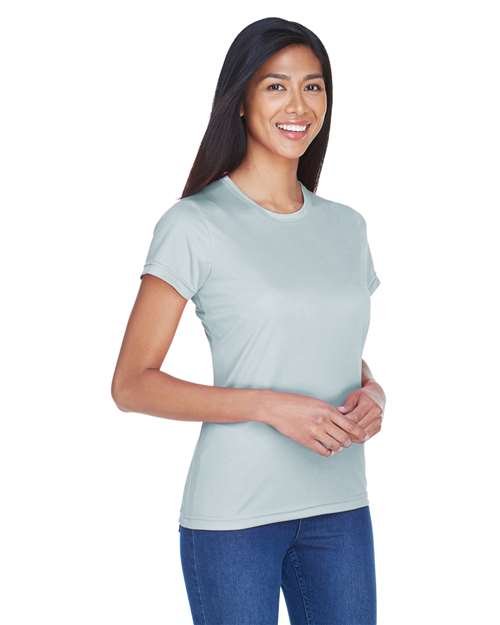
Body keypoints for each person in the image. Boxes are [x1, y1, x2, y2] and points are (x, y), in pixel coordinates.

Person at [111, 16, 385, 625]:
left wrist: (374, 393)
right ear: (240, 100)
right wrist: (268, 407)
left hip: (340, 506)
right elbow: (131, 384)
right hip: (235, 515)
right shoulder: (194, 224)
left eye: (313, 86)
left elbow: (322, 341)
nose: (298, 105)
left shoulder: (347, 227)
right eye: (276, 85)